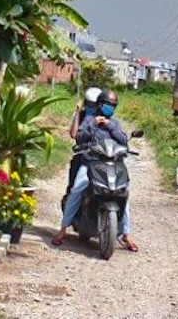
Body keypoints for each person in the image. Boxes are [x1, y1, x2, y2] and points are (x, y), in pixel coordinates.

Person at [52, 90, 139, 252]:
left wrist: (110, 126)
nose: (109, 109)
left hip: (112, 164)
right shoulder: (89, 120)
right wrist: (93, 125)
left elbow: (122, 140)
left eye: (112, 106)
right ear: (99, 105)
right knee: (77, 189)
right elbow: (79, 137)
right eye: (107, 105)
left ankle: (126, 233)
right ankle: (63, 230)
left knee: (124, 192)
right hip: (91, 164)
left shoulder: (116, 123)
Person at [63, 87, 102, 202]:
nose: (91, 107)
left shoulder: (102, 117)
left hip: (100, 156)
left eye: (94, 104)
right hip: (83, 155)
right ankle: (68, 217)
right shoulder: (82, 114)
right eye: (89, 104)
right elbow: (74, 134)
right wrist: (78, 112)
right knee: (74, 189)